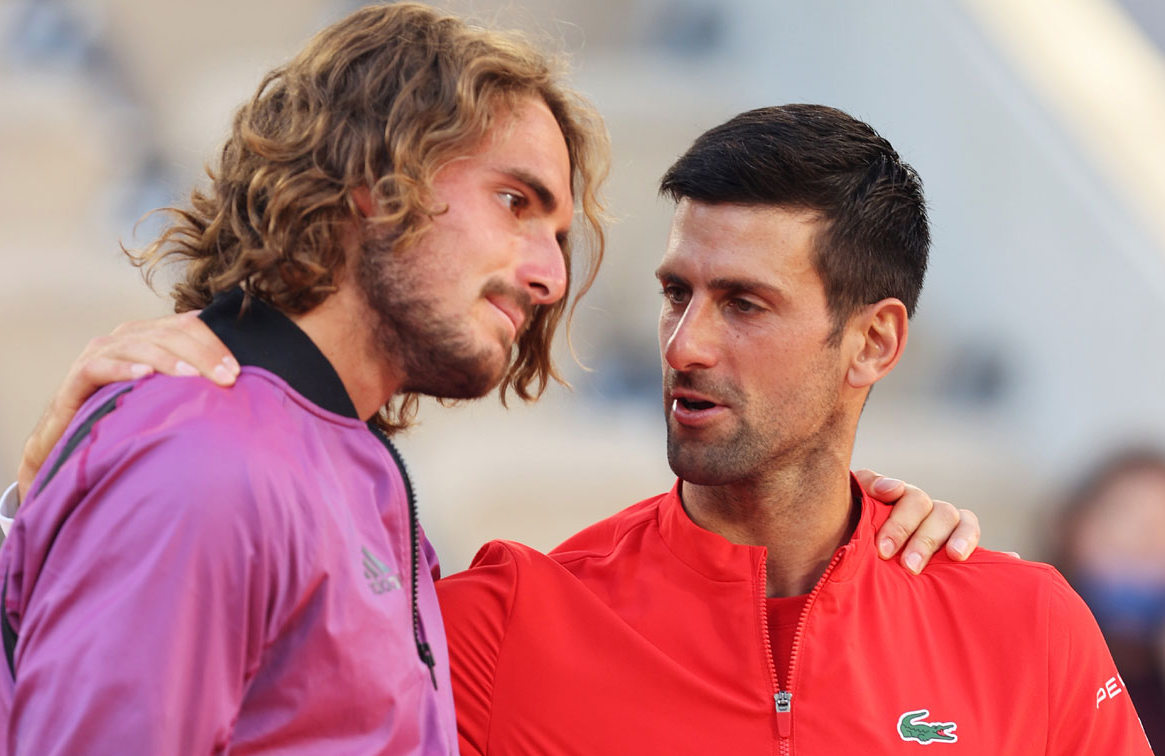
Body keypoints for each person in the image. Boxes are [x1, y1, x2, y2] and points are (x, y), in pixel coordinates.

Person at [0, 5, 980, 756]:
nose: (549, 276)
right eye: (516, 201)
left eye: (556, 232)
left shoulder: (329, 461)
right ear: (376, 182)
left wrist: (850, 530)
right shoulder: (202, 459)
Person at [430, 106, 1154, 753]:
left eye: (744, 304)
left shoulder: (1028, 627)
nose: (684, 346)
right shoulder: (500, 630)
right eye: (677, 294)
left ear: (873, 343)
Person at [1054, 448, 1165, 750]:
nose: (1147, 542)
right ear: (1074, 529)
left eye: (1161, 526)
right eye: (1127, 518)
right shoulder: (1036, 648)